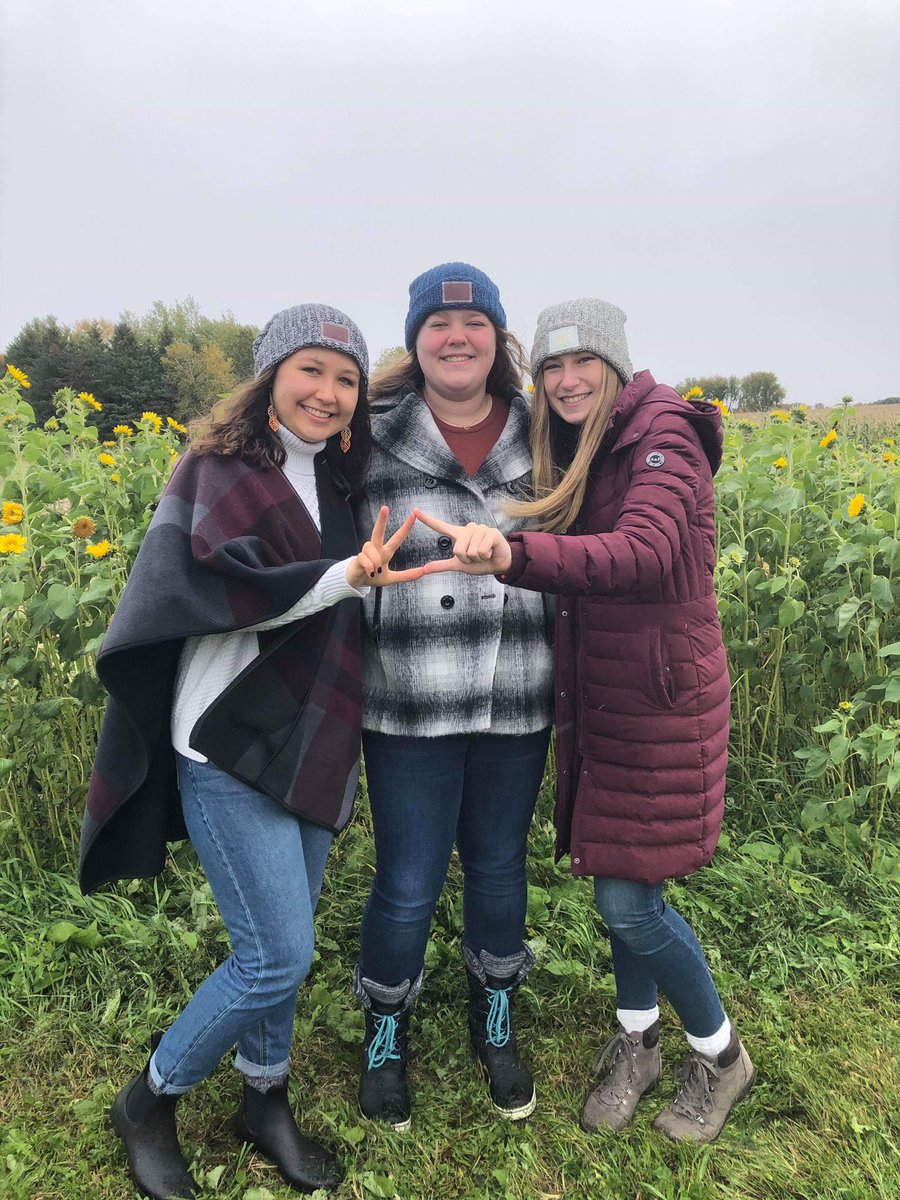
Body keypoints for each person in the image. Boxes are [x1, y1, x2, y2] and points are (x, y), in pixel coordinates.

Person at [79, 305, 424, 1200]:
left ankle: (263, 1100)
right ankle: (149, 1099)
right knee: (276, 954)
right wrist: (345, 578)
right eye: (312, 370)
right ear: (270, 375)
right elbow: (224, 595)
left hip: (312, 739)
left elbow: (338, 598)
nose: (329, 392)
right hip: (226, 743)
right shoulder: (218, 468)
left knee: (289, 939)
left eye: (347, 379)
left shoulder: (340, 483)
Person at [415, 297, 754, 1143]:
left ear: (615, 365)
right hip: (607, 695)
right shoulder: (585, 444)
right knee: (621, 870)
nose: (567, 381)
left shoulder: (664, 437)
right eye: (552, 367)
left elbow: (643, 552)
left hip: (659, 700)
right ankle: (638, 1044)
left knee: (629, 902)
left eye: (583, 363)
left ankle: (720, 1055)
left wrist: (513, 551)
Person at [352, 263, 554, 1130]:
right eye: (437, 324)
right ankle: (384, 1033)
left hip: (519, 687)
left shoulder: (544, 432)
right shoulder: (368, 434)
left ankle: (494, 1019)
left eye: (474, 325)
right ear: (416, 340)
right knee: (407, 880)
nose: (456, 337)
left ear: (498, 340)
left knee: (500, 865)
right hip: (409, 693)